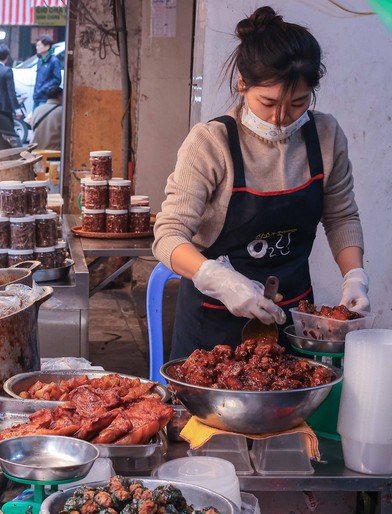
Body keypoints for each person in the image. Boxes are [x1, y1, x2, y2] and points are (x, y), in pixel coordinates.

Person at [153, 6, 367, 359]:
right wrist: (217, 278)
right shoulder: (211, 143)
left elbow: (342, 216)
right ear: (242, 83)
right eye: (267, 102)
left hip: (295, 323)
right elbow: (168, 235)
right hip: (213, 326)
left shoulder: (325, 136)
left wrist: (355, 275)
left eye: (298, 103)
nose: (281, 118)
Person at [33, 35, 62, 110]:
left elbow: (57, 79)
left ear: (47, 47)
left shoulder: (54, 61)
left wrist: (44, 89)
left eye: (39, 45)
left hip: (46, 97)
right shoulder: (40, 60)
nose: (37, 47)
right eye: (37, 45)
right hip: (37, 96)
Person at [30, 84, 62, 150]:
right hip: (54, 152)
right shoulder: (63, 111)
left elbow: (32, 127)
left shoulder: (37, 109)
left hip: (36, 151)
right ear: (60, 97)